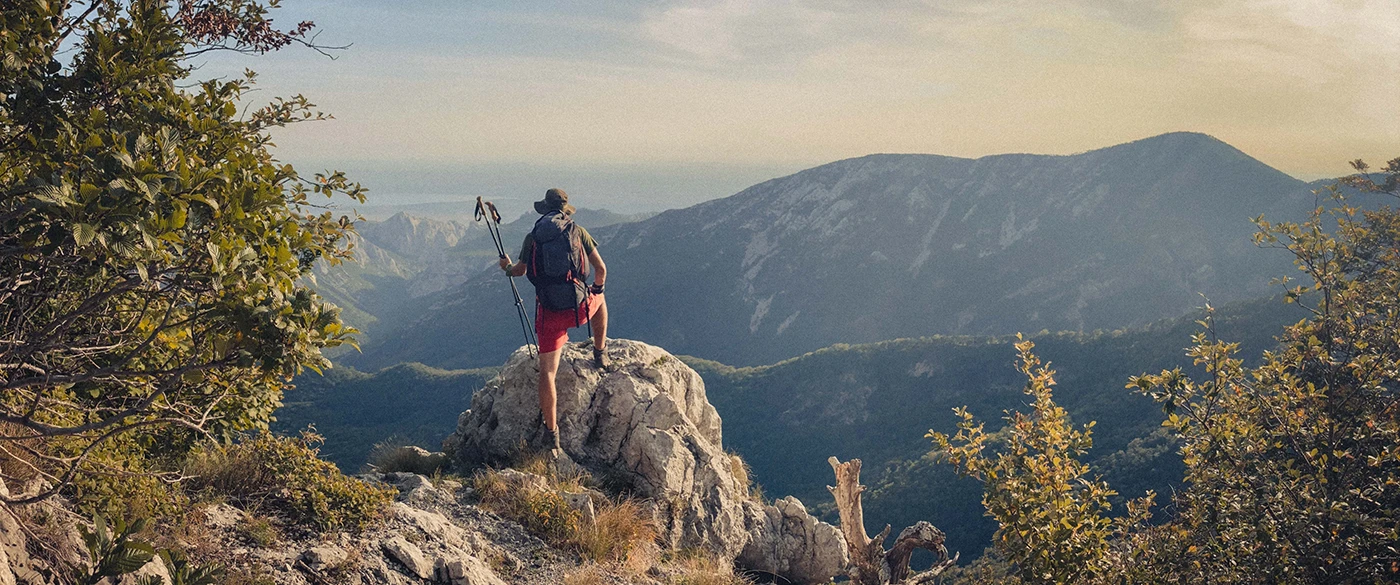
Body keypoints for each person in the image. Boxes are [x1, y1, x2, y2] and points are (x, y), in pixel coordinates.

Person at [498, 188, 609, 452]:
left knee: (548, 372)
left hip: (548, 310)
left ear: (544, 209)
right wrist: (596, 290)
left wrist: (506, 267)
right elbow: (601, 270)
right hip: (578, 305)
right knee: (601, 302)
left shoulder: (533, 237)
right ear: (564, 209)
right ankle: (600, 352)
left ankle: (551, 434)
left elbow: (519, 271)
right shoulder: (578, 231)